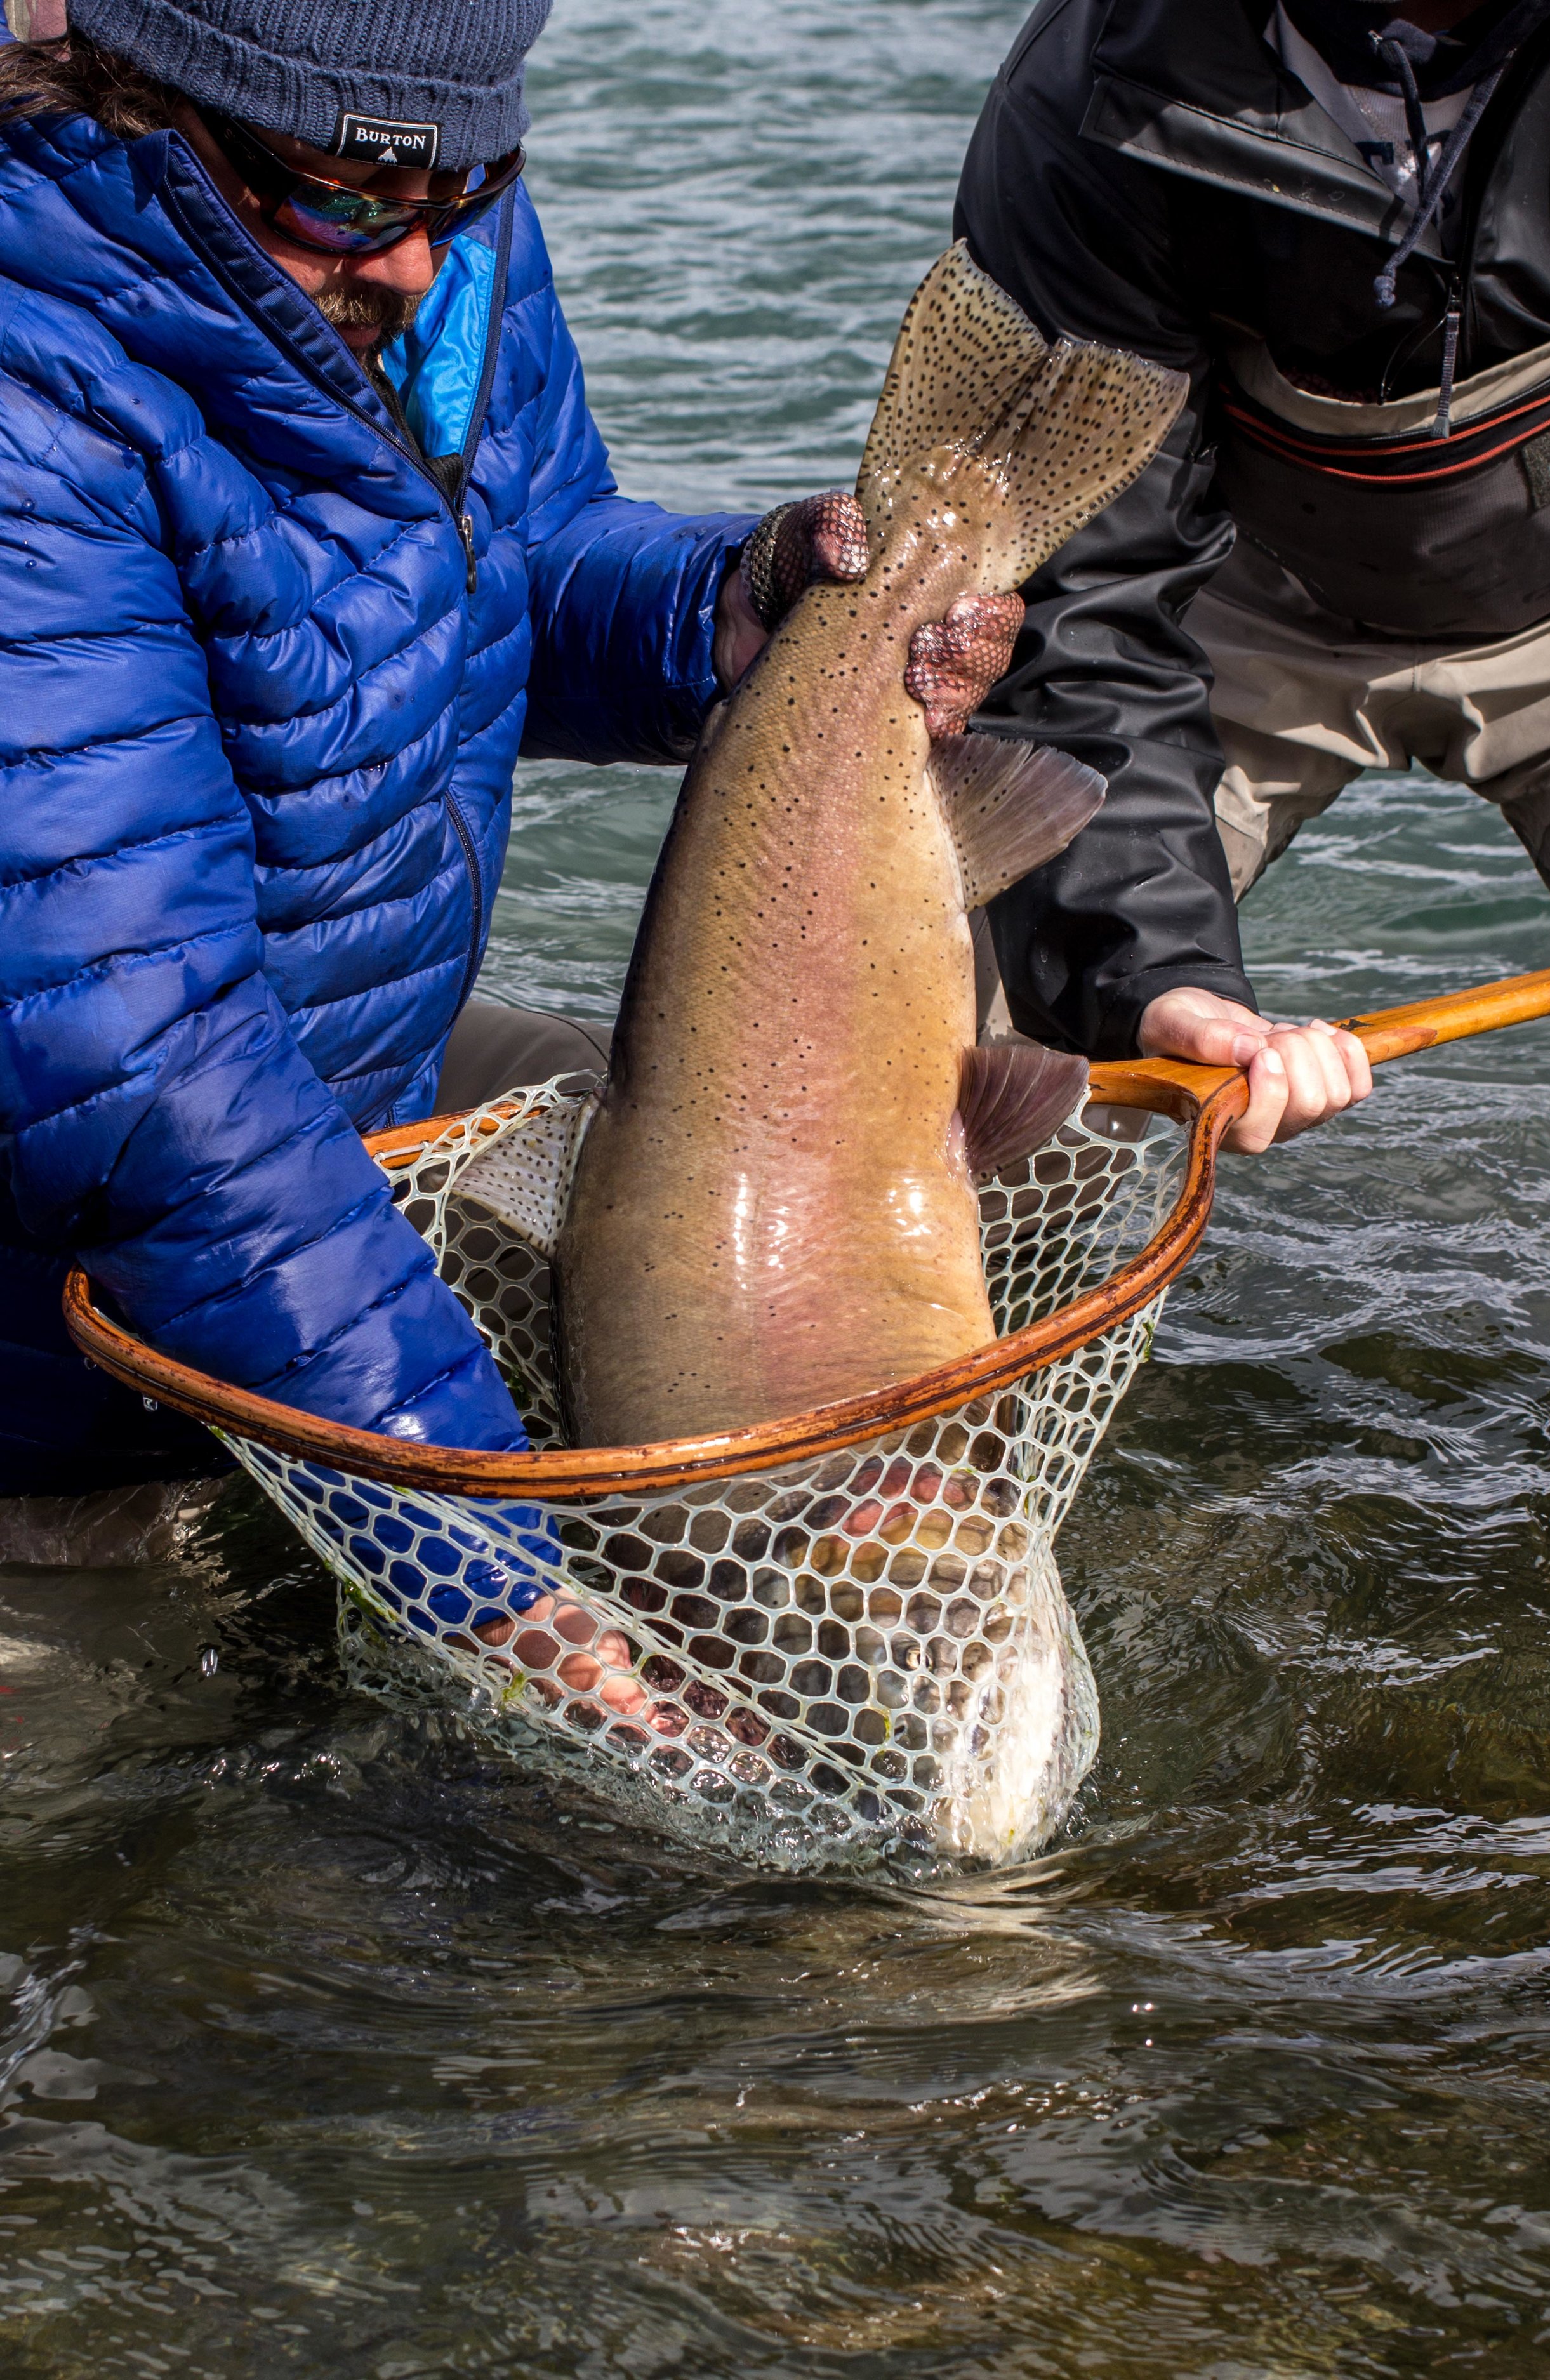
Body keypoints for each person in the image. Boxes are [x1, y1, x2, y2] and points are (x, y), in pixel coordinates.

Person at [0, 0, 1017, 1542]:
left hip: (347, 1087)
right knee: (158, 1752)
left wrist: (725, 602)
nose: (412, 259)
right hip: (65, 1300)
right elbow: (134, 1068)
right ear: (143, 101)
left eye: (463, 190)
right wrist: (475, 1524)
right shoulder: (30, 403)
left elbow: (521, 559)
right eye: (338, 192)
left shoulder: (417, 229)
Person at [955, 0, 1550, 1154]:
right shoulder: (1099, 79)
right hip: (1229, 612)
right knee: (964, 1057)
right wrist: (1154, 980)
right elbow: (1085, 595)